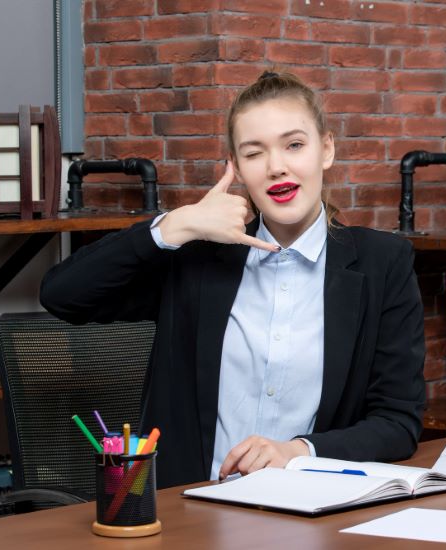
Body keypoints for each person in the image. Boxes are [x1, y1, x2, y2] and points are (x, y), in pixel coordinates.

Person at [40, 71, 426, 489]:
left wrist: (298, 451)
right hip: (191, 513)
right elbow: (63, 295)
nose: (277, 167)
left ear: (326, 150)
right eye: (254, 153)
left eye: (294, 145)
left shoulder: (382, 263)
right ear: (237, 167)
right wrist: (174, 225)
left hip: (310, 507)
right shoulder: (199, 259)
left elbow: (398, 422)